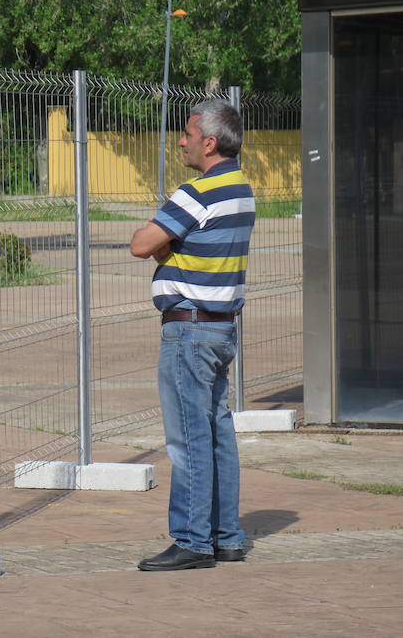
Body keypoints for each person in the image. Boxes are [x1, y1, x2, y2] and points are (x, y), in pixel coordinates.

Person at [130, 99, 255, 572]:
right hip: (222, 330)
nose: (180, 141)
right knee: (218, 433)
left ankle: (192, 540)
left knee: (188, 440)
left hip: (188, 331)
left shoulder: (196, 192)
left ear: (208, 141)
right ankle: (227, 537)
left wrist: (165, 245)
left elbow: (141, 244)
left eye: (186, 133)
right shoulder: (242, 188)